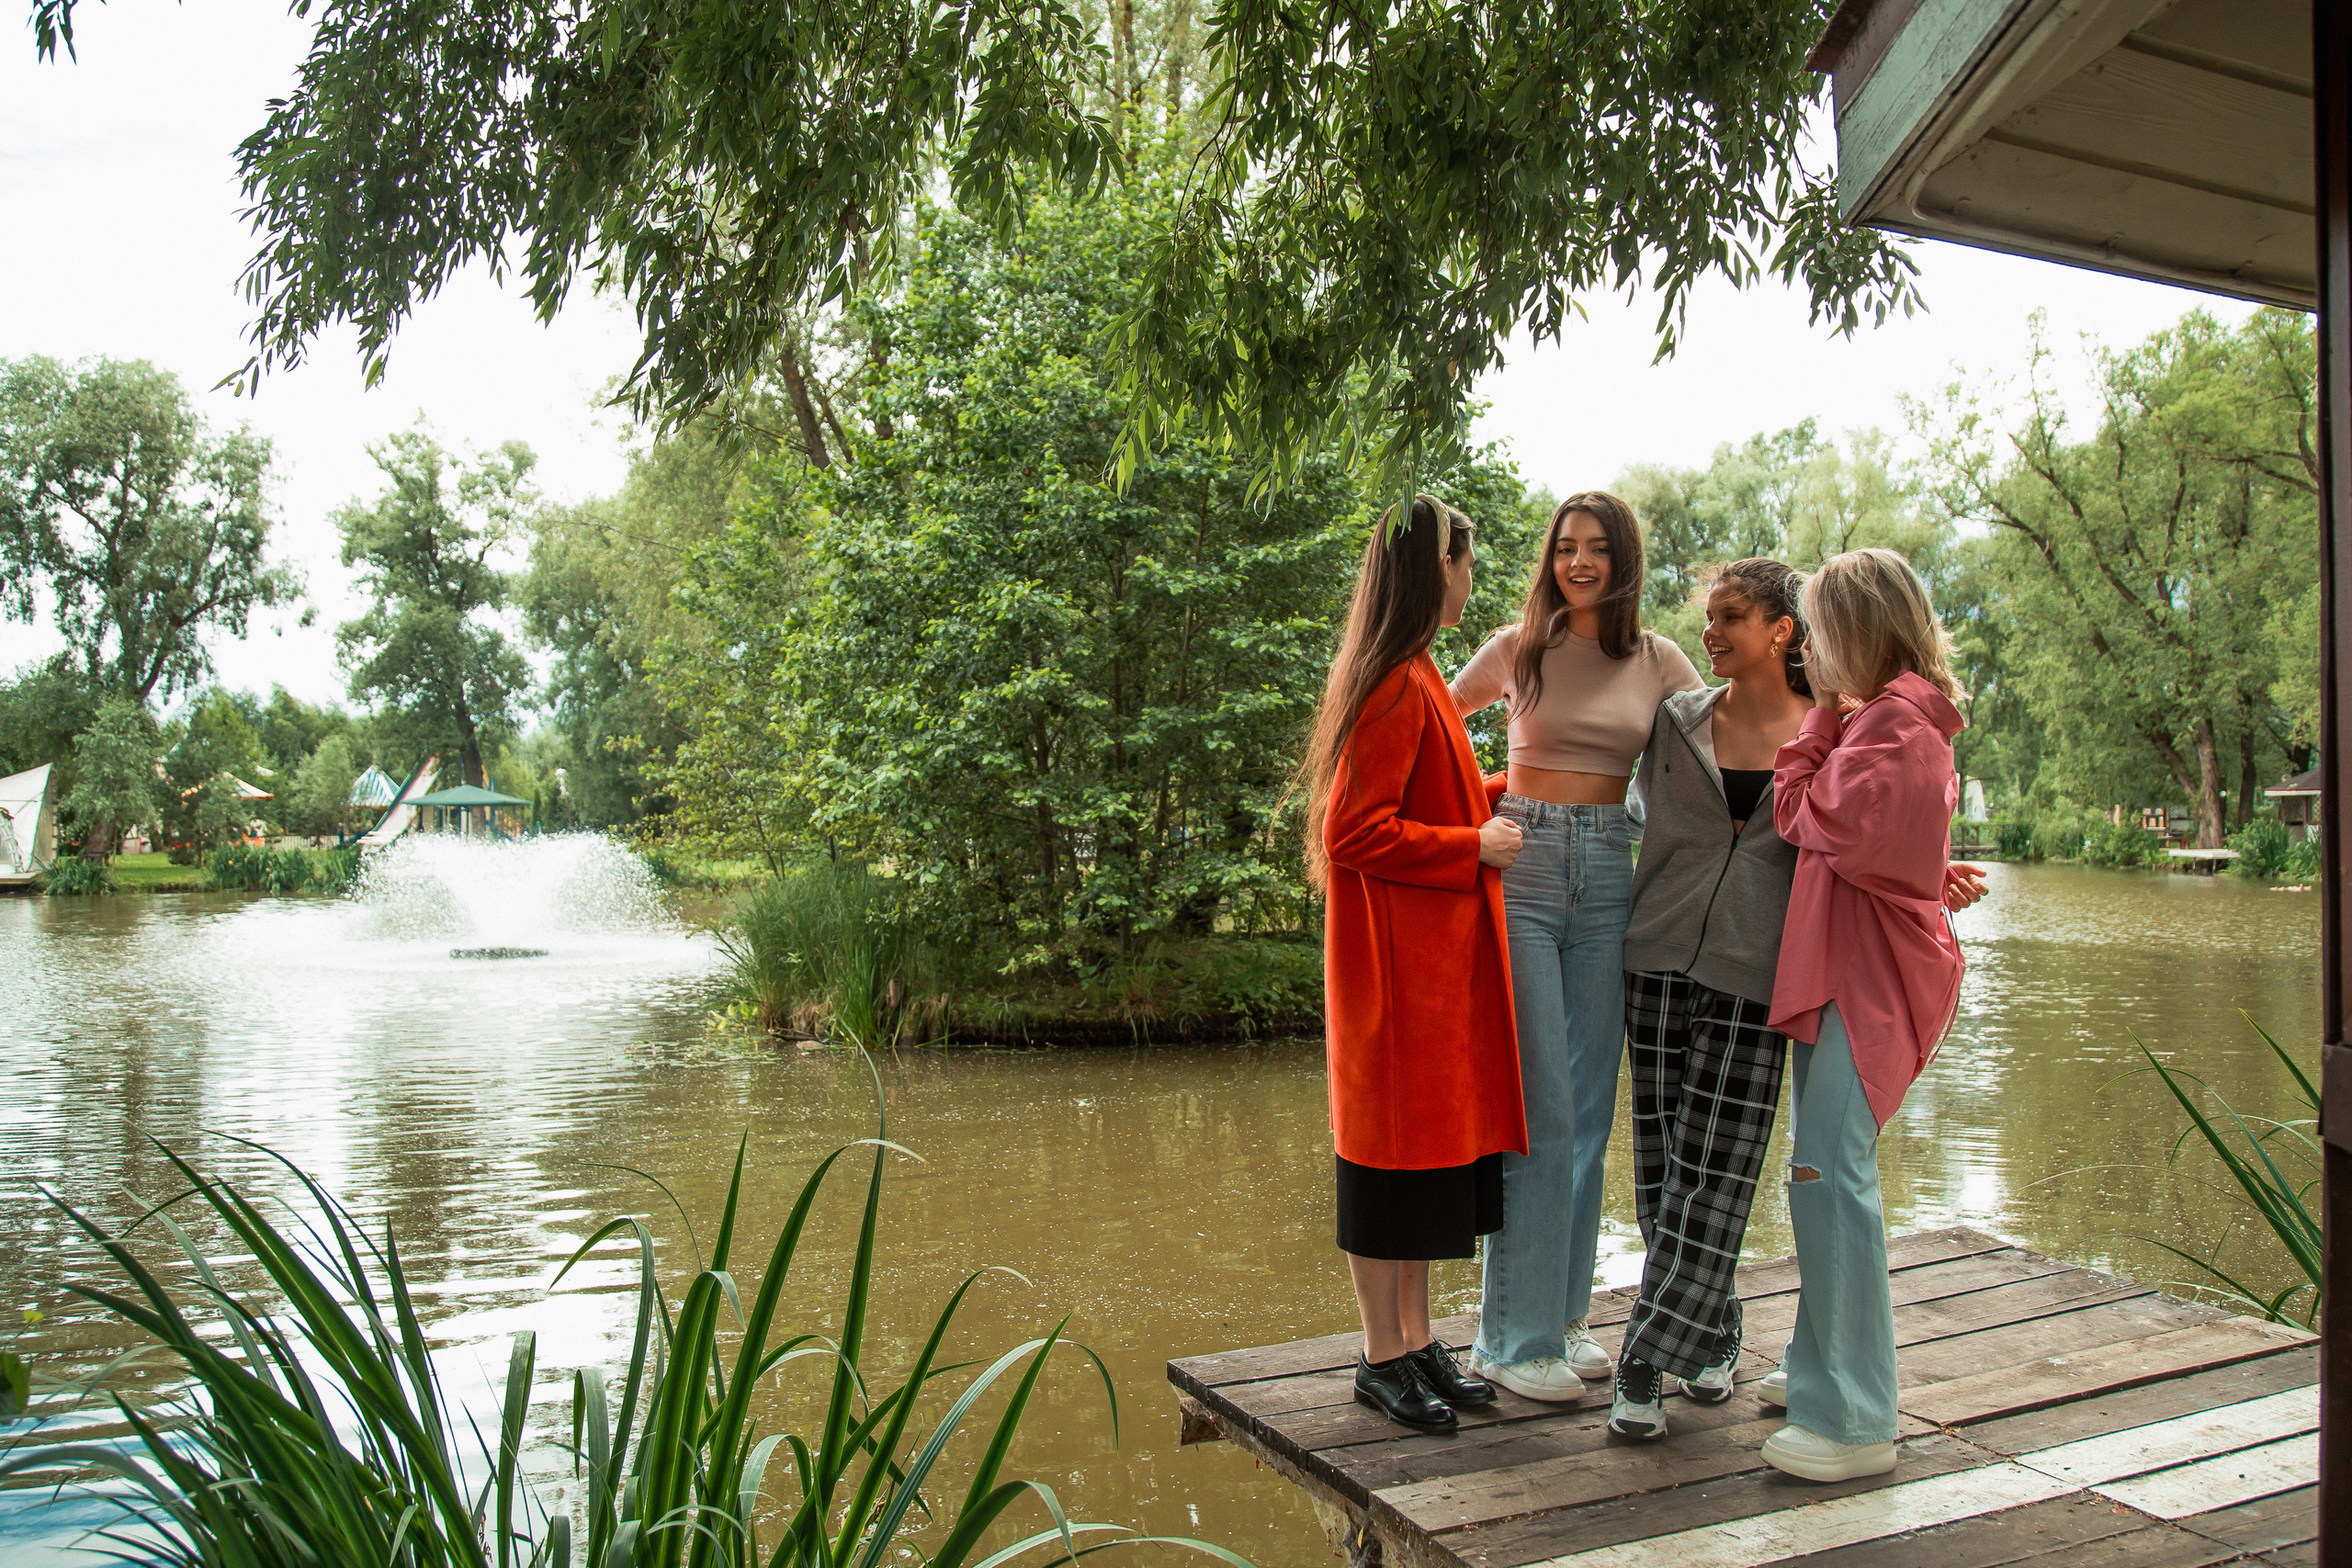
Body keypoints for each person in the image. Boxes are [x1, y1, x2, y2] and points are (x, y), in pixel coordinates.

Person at [1450, 492, 1702, 1402]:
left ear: (1622, 558)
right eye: (1566, 547)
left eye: (1597, 549)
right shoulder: (1520, 648)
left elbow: (1725, 755)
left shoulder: (1658, 659)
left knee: (1592, 1111)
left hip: (1608, 866)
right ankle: (1507, 1342)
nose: (1580, 562)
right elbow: (1435, 720)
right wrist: (1470, 817)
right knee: (1539, 1107)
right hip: (1523, 865)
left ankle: (1560, 1320)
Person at [1304, 494, 1531, 1433]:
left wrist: (1521, 784)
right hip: (1395, 975)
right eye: (1463, 561)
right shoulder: (1394, 683)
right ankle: (1378, 1355)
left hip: (1428, 970)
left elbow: (1428, 794)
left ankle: (1414, 1341)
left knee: (1424, 1168)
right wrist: (1471, 848)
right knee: (1388, 1168)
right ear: (1432, 570)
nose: (1470, 578)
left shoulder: (1420, 674)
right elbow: (1351, 829)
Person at [1759, 547, 1970, 1483]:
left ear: (1853, 631)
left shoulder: (1890, 728)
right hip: (1849, 967)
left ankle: (1854, 1419)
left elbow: (1800, 810)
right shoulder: (1893, 723)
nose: (1806, 647)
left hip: (1860, 976)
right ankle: (1818, 1371)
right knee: (1821, 1178)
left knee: (1828, 1178)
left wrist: (1810, 724)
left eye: (1814, 628)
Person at [1605, 558, 1813, 1439]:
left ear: (1782, 630)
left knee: (1719, 1171)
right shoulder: (1674, 723)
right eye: (1710, 616)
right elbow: (1586, 782)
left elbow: (1876, 826)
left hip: (1756, 974)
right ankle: (1717, 1328)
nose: (1712, 631)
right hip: (1653, 959)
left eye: (1732, 617)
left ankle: (1643, 1358)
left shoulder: (1825, 736)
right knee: (1660, 1171)